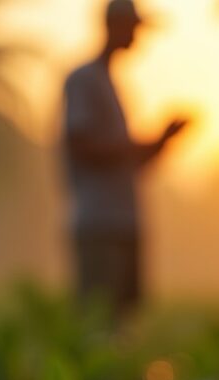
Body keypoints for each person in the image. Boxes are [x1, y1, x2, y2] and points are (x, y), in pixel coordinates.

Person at [62, 0, 188, 317]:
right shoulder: (84, 79)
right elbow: (81, 146)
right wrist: (138, 146)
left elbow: (129, 165)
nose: (137, 36)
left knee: (124, 320)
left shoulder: (113, 84)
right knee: (97, 319)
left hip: (124, 221)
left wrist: (162, 141)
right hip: (99, 222)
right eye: (133, 27)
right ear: (113, 26)